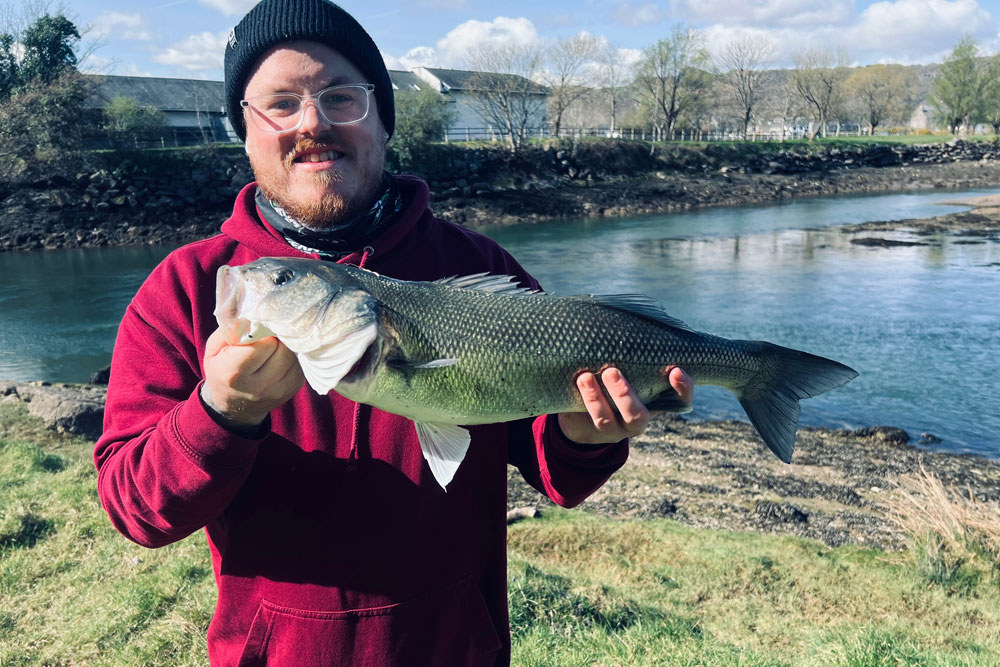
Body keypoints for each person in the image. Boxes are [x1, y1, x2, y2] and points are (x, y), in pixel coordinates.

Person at [94, 1, 694, 664]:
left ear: (383, 120)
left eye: (341, 97)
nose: (314, 122)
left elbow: (560, 475)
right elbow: (135, 508)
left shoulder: (480, 268)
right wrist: (220, 414)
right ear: (245, 130)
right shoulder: (186, 288)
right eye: (281, 103)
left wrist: (584, 436)